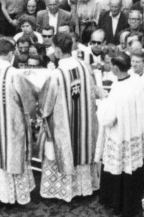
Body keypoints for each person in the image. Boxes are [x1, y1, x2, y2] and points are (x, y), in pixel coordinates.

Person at [39, 32, 102, 201]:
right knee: (81, 148)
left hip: (64, 125)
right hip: (84, 124)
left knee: (65, 151)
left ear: (58, 51)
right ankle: (84, 187)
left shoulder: (57, 75)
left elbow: (46, 104)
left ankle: (65, 190)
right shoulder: (84, 67)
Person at [0, 36, 38, 205]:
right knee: (11, 155)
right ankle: (13, 195)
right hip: (10, 126)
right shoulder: (14, 73)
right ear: (11, 53)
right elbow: (28, 99)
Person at [97, 50, 144, 216]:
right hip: (135, 133)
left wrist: (102, 100)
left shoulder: (119, 91)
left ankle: (118, 203)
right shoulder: (136, 81)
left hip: (121, 136)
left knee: (121, 170)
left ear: (115, 68)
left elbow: (107, 119)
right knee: (134, 169)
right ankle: (134, 202)